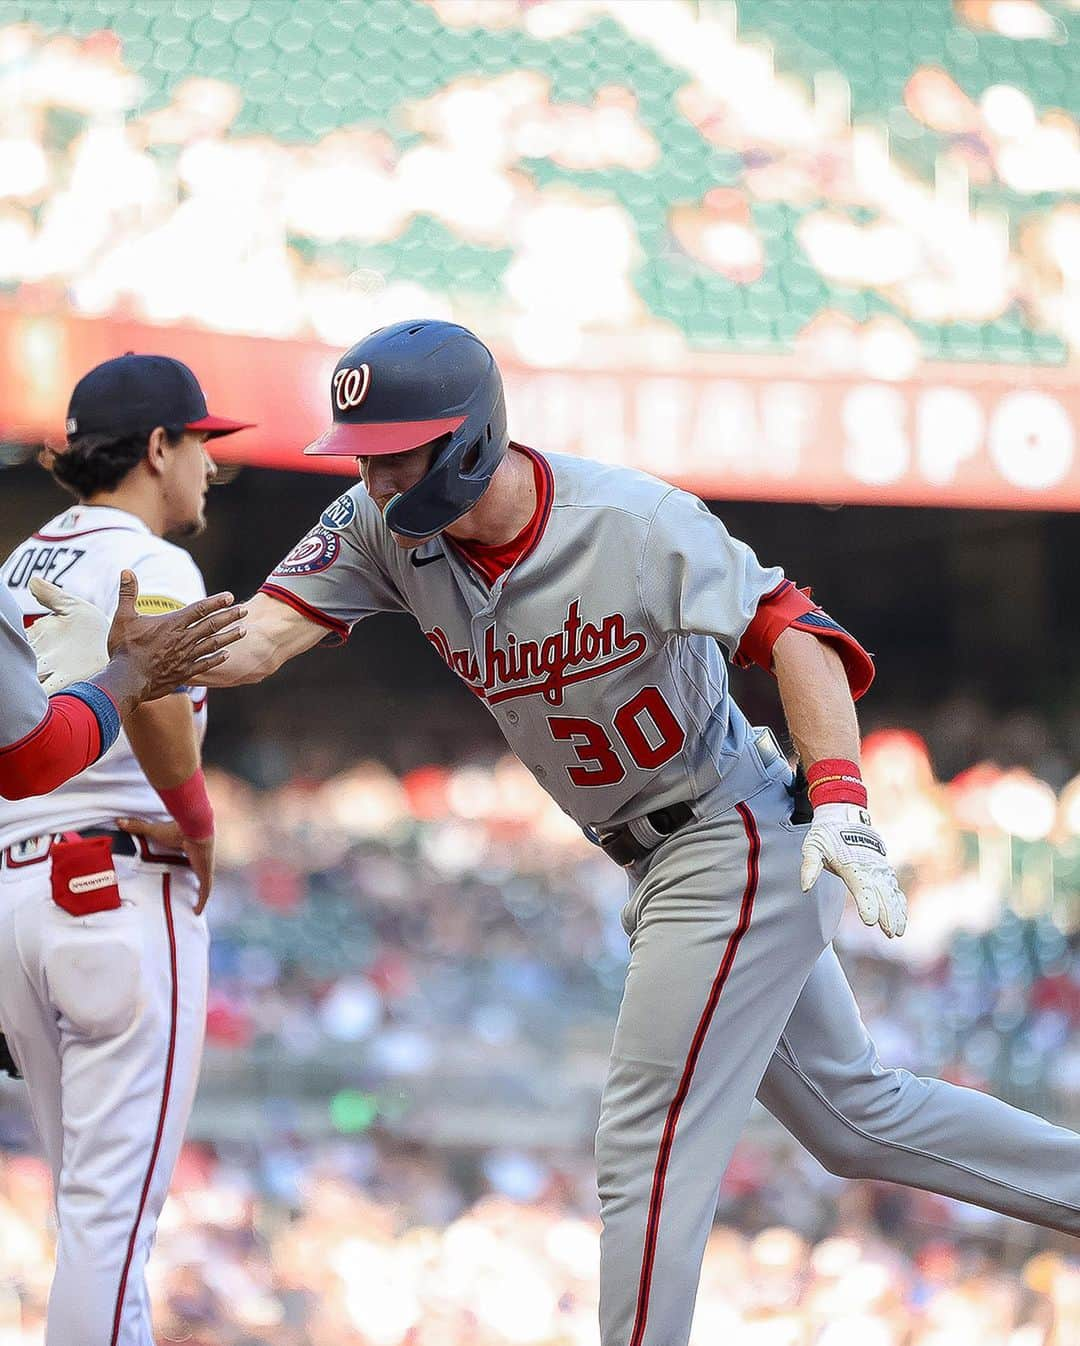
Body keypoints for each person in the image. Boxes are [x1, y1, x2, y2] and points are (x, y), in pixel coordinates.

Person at [72, 322, 1080, 1344]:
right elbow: (265, 636)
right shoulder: (379, 525)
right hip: (660, 852)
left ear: (466, 440)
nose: (373, 475)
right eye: (363, 452)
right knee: (853, 1118)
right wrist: (159, 657)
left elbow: (798, 636)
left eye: (395, 451)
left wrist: (847, 800)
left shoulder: (629, 519)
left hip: (733, 829)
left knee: (644, 1139)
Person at [0, 353, 251, 1346]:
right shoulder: (157, 560)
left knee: (93, 1220)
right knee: (112, 1223)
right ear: (158, 446)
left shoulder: (17, 563)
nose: (208, 469)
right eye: (200, 445)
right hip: (114, 887)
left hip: (17, 896)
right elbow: (149, 693)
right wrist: (197, 820)